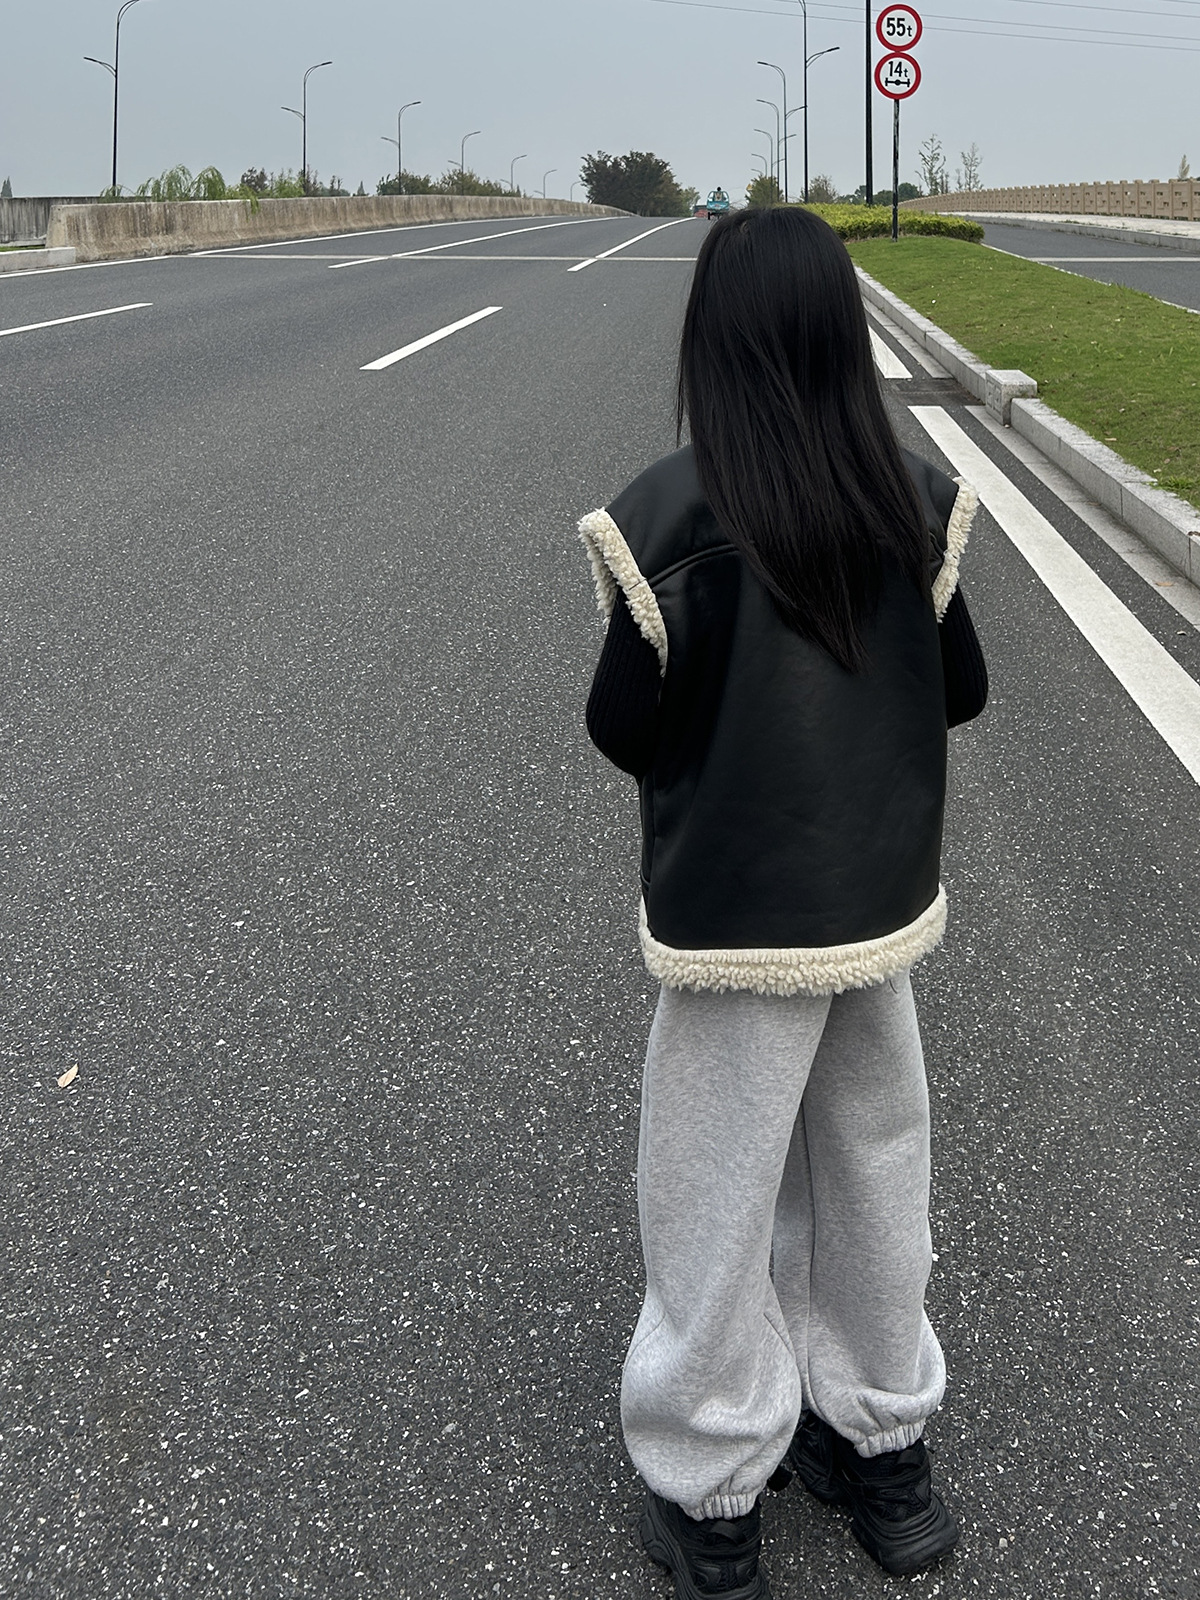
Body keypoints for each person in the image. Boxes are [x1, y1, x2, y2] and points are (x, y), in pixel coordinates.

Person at [578, 205, 987, 1600]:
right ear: (840, 338)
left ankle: (712, 1489)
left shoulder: (665, 517)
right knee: (875, 1168)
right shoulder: (909, 499)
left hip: (731, 922)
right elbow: (965, 690)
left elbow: (621, 724)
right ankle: (881, 1448)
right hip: (873, 910)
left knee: (714, 1187)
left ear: (715, 343)